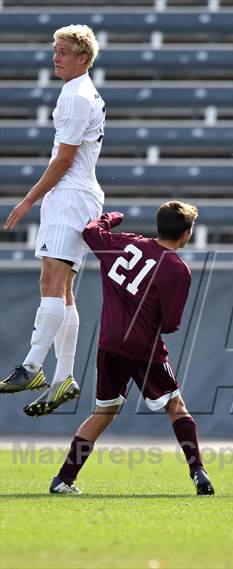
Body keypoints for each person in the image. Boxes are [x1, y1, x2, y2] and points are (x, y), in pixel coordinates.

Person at [49, 201, 215, 496]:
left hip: (109, 343)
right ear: (186, 233)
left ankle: (63, 479)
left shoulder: (125, 243)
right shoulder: (178, 269)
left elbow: (90, 231)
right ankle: (198, 471)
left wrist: (112, 217)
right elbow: (171, 324)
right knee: (176, 407)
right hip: (144, 348)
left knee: (104, 411)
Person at [0, 25, 106, 413]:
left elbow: (64, 159)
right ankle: (64, 378)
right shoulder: (77, 92)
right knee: (62, 289)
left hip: (71, 196)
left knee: (51, 280)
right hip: (76, 195)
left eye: (63, 52)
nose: (55, 57)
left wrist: (28, 200)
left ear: (82, 56)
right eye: (54, 50)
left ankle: (32, 366)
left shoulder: (77, 96)